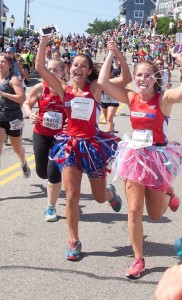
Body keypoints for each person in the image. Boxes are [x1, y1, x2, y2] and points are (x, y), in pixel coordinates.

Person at [98, 48, 182, 278]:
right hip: (134, 157)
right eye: (139, 75)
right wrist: (111, 54)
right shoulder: (131, 97)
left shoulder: (163, 99)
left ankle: (168, 196)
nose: (142, 80)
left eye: (147, 75)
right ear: (135, 78)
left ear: (155, 78)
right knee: (134, 211)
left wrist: (181, 59)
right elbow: (103, 81)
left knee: (154, 215)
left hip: (156, 159)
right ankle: (138, 259)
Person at [35, 32, 132, 260]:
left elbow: (126, 79)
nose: (78, 68)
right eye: (75, 65)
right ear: (71, 68)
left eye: (83, 66)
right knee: (71, 196)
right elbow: (40, 68)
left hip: (92, 145)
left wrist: (116, 53)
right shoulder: (63, 89)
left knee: (98, 197)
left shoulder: (96, 89)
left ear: (89, 70)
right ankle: (74, 241)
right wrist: (43, 42)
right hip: (70, 144)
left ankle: (109, 195)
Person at [23, 58, 67, 222]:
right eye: (48, 69)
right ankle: (51, 181)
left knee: (53, 171)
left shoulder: (67, 89)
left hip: (60, 137)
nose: (51, 73)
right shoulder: (40, 87)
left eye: (55, 70)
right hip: (41, 133)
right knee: (42, 172)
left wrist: (71, 122)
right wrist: (30, 113)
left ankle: (51, 206)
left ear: (62, 72)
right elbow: (27, 103)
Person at [0, 53, 31, 177]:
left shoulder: (13, 79)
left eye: (3, 61)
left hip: (13, 118)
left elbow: (22, 98)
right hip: (0, 117)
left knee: (17, 149)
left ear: (9, 65)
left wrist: (4, 94)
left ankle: (23, 162)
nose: (0, 64)